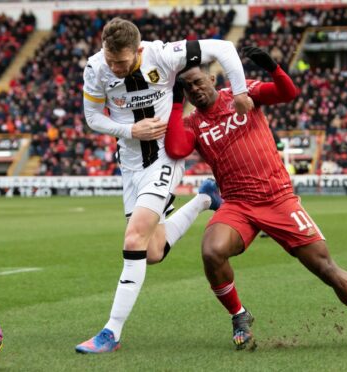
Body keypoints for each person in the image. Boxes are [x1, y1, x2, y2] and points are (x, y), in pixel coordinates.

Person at [165, 47, 347, 353]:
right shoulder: (194, 124)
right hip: (238, 204)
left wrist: (273, 67)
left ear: (213, 78)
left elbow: (287, 92)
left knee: (326, 268)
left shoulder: (242, 93)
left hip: (279, 200)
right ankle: (239, 316)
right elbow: (175, 149)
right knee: (212, 251)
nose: (195, 89)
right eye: (187, 86)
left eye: (198, 82)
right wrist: (174, 101)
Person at [75, 17, 252, 354]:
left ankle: (111, 332)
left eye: (122, 62)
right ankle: (204, 198)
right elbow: (92, 117)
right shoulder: (96, 68)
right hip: (129, 166)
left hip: (163, 159)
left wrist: (240, 91)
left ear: (138, 50)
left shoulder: (164, 55)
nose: (115, 67)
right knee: (152, 251)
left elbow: (225, 48)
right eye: (110, 59)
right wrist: (129, 131)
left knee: (133, 238)